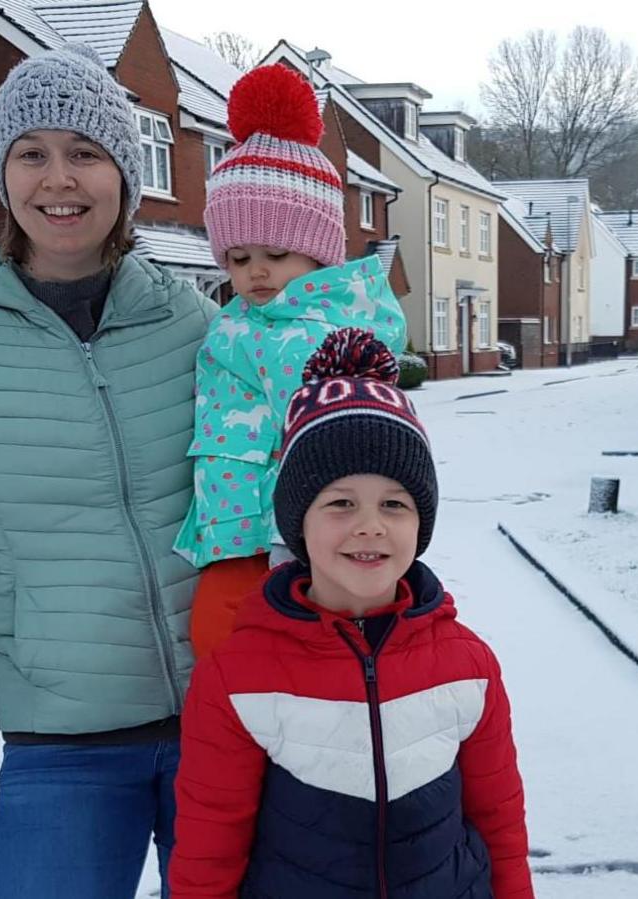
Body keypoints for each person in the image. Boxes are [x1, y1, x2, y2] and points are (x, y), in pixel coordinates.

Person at [0, 42, 216, 898]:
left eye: (86, 152)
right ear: (2, 173)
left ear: (125, 173)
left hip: (227, 720)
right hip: (63, 748)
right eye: (32, 154)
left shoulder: (193, 322)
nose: (60, 179)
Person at [170, 330, 534, 898]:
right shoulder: (236, 677)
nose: (370, 525)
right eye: (340, 503)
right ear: (297, 521)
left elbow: (501, 824)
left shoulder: (469, 666)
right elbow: (208, 848)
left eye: (394, 504)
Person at [174, 63, 405, 658]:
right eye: (237, 255)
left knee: (259, 660)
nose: (254, 271)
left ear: (319, 254)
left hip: (276, 540)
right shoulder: (242, 322)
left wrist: (289, 542)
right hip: (234, 532)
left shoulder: (307, 335)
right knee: (224, 657)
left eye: (276, 253)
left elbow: (326, 444)